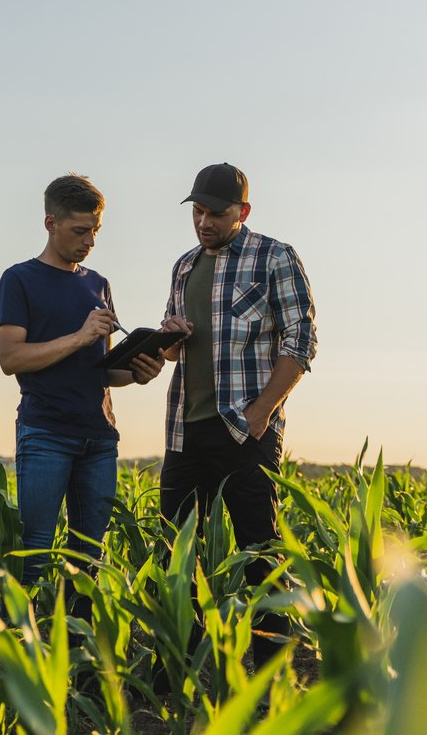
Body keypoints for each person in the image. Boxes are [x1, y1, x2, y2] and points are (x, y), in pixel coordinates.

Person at [158, 162, 317, 669]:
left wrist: (260, 412)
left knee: (259, 551)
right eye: (198, 212)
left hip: (246, 429)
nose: (204, 222)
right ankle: (181, 664)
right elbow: (171, 355)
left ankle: (272, 666)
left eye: (216, 214)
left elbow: (302, 338)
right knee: (176, 552)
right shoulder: (184, 266)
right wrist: (169, 336)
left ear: (242, 212)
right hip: (186, 427)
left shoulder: (275, 257)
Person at [0, 173, 165, 598]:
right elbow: (11, 359)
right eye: (80, 231)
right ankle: (24, 654)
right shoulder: (18, 280)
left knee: (89, 557)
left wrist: (140, 371)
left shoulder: (98, 284)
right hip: (46, 434)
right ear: (51, 224)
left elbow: (101, 369)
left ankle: (81, 658)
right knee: (34, 553)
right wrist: (81, 336)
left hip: (99, 439)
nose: (90, 241)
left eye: (96, 231)